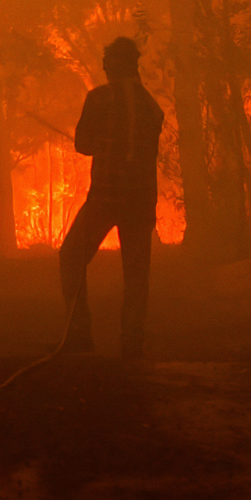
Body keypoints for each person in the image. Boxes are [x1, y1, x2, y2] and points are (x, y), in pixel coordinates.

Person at [59, 36, 164, 357]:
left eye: (107, 64)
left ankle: (78, 334)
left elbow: (83, 144)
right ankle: (132, 340)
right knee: (136, 272)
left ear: (113, 66)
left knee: (72, 256)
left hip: (106, 197)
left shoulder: (99, 99)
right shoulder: (151, 107)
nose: (105, 69)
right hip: (141, 200)